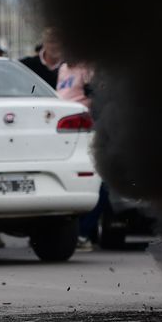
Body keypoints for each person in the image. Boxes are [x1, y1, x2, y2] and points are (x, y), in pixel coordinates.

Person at [56, 58, 102, 251]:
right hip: (64, 128)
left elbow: (95, 97)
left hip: (85, 128)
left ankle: (84, 233)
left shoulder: (87, 68)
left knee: (96, 181)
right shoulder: (64, 68)